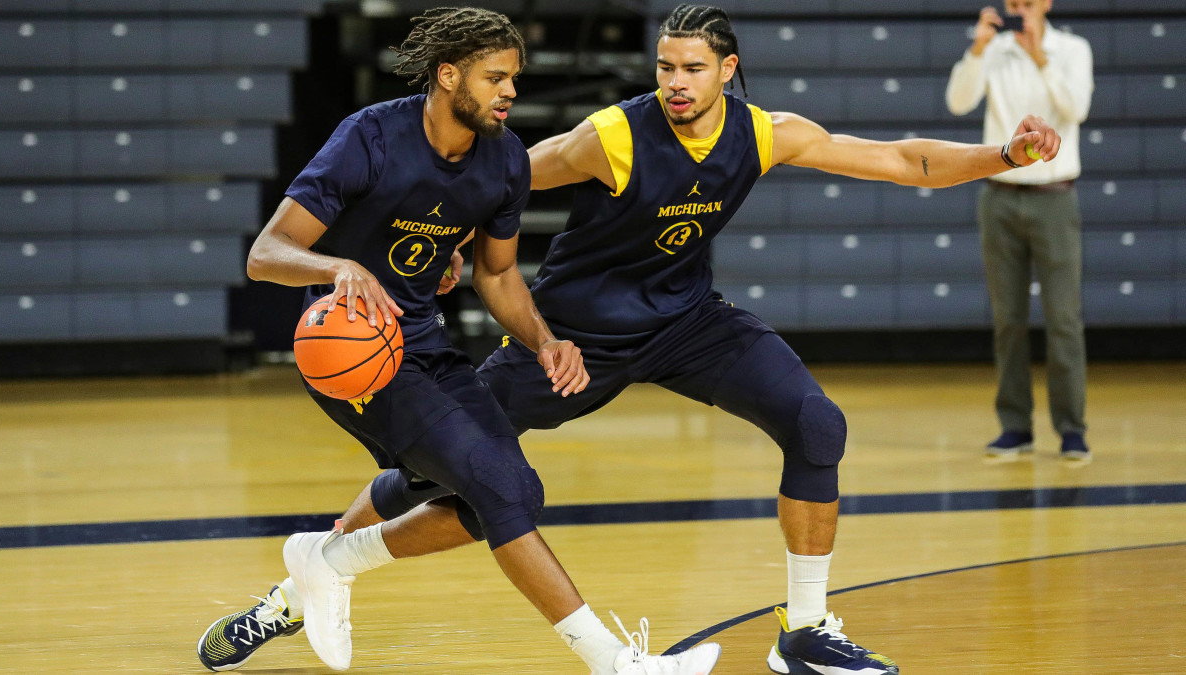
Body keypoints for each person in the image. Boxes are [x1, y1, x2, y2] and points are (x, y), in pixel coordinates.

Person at [213, 4, 1062, 674]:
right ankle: (301, 587)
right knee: (431, 475)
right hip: (573, 336)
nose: (676, 82)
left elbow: (901, 162)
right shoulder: (611, 135)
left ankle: (803, 631)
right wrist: (442, 248)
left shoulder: (764, 133)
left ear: (729, 70)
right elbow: (498, 174)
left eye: (693, 68)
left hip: (690, 324)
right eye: (665, 67)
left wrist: (1002, 154)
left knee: (816, 424)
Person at [195, 8, 721, 674]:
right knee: (496, 485)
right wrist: (338, 266)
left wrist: (543, 340)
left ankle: (317, 569)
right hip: (350, 349)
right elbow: (266, 253)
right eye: (495, 77)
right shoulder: (370, 137)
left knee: (513, 495)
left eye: (514, 80)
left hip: (424, 343)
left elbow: (495, 274)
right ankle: (616, 662)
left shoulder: (504, 160)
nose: (510, 92)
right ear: (448, 75)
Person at [946, 1, 1093, 462]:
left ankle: (1072, 429)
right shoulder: (994, 49)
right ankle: (1015, 427)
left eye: (1027, 4)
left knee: (1063, 319)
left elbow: (1077, 108)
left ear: (1046, 3)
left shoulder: (1072, 49)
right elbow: (958, 101)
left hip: (1054, 194)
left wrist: (1039, 57)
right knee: (1008, 319)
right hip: (1000, 196)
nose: (1019, 11)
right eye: (1013, 4)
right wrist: (978, 49)